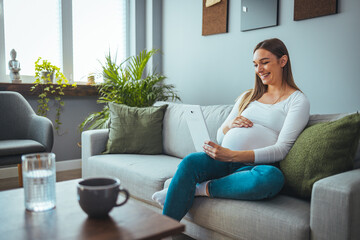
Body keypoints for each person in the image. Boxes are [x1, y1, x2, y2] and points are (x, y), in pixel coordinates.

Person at [152, 38, 310, 221]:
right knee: (190, 162)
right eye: (255, 64)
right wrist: (229, 125)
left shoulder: (297, 101)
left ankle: (197, 188)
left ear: (282, 61)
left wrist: (232, 155)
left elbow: (282, 149)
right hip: (223, 161)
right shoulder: (248, 96)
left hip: (254, 167)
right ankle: (163, 231)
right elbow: (220, 135)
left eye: (265, 62)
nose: (259, 70)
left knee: (272, 178)